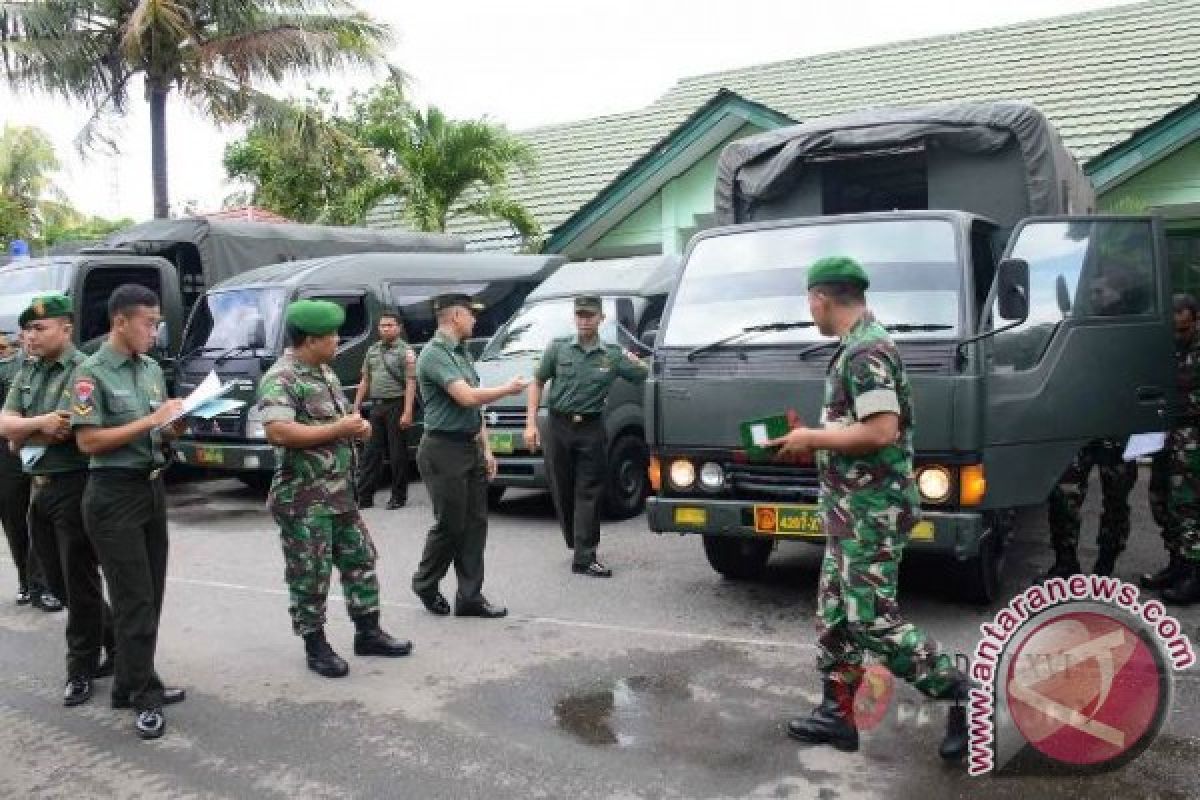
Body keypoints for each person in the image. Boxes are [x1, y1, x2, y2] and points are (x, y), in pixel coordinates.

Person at [767, 256, 968, 761]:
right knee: (835, 615)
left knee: (871, 619)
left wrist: (811, 438)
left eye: (809, 301)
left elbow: (881, 430)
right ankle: (837, 715)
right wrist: (811, 434)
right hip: (850, 509)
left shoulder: (865, 351)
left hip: (871, 512)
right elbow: (858, 425)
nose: (810, 309)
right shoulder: (857, 347)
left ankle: (964, 690)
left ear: (820, 297)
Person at [257, 300, 413, 678]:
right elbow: (278, 431)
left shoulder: (323, 371)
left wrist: (357, 427)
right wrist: (339, 430)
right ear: (310, 340)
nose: (338, 340)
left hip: (340, 493)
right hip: (305, 500)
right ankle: (316, 644)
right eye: (331, 335)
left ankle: (368, 632)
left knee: (360, 561)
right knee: (310, 574)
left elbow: (341, 420)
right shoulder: (282, 378)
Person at [70, 284, 187, 740]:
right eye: (148, 323)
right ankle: (144, 696)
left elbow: (158, 432)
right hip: (112, 494)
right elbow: (88, 441)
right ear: (121, 321)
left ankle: (126, 681)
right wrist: (150, 422)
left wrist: (174, 426)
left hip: (151, 489)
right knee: (134, 597)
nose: (155, 332)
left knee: (150, 595)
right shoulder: (89, 372)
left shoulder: (152, 369)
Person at [0, 294, 115, 706]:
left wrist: (22, 433)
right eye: (28, 329)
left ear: (66, 329)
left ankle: (80, 668)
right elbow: (5, 423)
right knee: (55, 582)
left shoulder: (84, 372)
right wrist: (35, 425)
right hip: (40, 488)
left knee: (78, 582)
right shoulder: (27, 372)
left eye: (39, 328)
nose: (30, 336)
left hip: (73, 486)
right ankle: (119, 644)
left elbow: (66, 430)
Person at [412, 293, 528, 619]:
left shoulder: (461, 354)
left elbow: (474, 410)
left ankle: (469, 596)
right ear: (456, 318)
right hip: (442, 449)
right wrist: (507, 389)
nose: (475, 321)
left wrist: (486, 449)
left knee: (475, 524)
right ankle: (425, 582)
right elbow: (466, 397)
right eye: (471, 316)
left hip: (469, 447)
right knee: (450, 524)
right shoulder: (434, 355)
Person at [523, 295, 648, 577]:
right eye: (580, 315)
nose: (584, 320)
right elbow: (538, 381)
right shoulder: (558, 347)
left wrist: (636, 359)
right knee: (564, 489)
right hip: (558, 427)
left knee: (588, 490)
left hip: (591, 429)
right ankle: (576, 541)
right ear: (574, 317)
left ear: (601, 319)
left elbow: (644, 374)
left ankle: (585, 554)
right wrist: (530, 423)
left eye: (590, 315)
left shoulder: (612, 354)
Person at [0, 331, 54, 610]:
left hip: (33, 448)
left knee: (36, 515)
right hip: (12, 447)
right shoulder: (11, 366)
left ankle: (41, 584)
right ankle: (26, 580)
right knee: (13, 519)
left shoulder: (43, 367)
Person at [1036, 439, 1137, 580]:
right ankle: (1065, 564)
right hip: (1077, 430)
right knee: (1063, 496)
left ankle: (1105, 567)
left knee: (1116, 499)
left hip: (1116, 430)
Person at [1156, 294, 1200, 605]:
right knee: (1163, 501)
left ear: (1193, 315)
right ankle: (1176, 565)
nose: (1172, 317)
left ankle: (1193, 578)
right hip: (1167, 435)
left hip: (1192, 437)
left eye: (1179, 312)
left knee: (1188, 506)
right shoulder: (1168, 345)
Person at [353, 312, 416, 510]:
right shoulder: (372, 351)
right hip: (376, 406)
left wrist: (407, 412)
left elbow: (411, 382)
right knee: (371, 452)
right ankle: (364, 496)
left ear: (398, 328)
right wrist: (356, 407)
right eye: (382, 325)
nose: (385, 329)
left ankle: (398, 496)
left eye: (389, 325)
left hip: (396, 404)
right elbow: (365, 380)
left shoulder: (406, 351)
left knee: (397, 454)